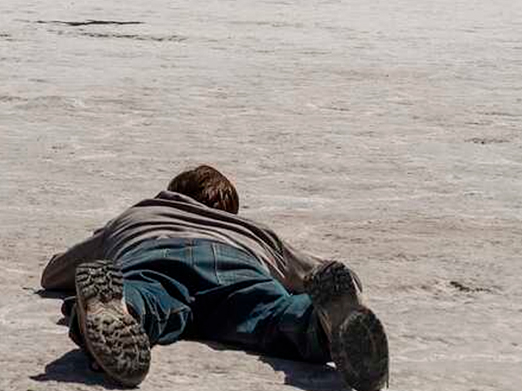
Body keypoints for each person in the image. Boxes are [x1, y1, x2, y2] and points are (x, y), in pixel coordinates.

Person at [40, 165, 389, 391]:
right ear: (230, 210)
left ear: (174, 191)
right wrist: (338, 294)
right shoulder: (252, 230)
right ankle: (321, 322)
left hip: (155, 253)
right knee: (274, 312)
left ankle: (122, 305)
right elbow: (317, 273)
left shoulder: (140, 214)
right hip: (235, 262)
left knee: (148, 296)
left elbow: (55, 273)